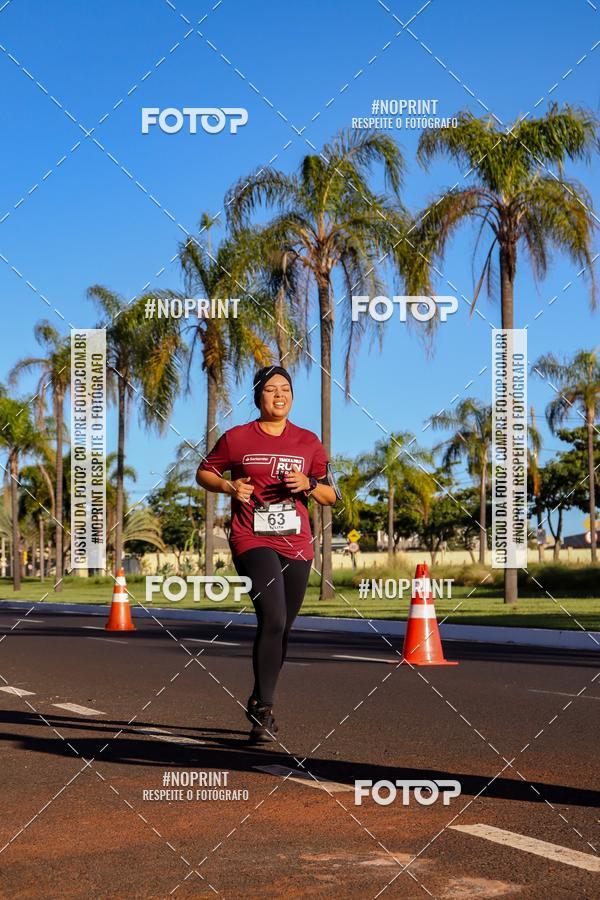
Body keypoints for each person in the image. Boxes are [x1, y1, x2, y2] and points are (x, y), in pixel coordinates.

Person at [196, 366, 337, 742]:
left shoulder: (308, 442)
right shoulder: (237, 438)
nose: (279, 395)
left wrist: (309, 484)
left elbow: (331, 495)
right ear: (258, 395)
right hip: (252, 539)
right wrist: (229, 487)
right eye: (271, 389)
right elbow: (204, 473)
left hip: (297, 544)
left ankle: (260, 697)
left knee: (282, 626)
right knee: (272, 617)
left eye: (285, 389)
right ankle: (264, 713)